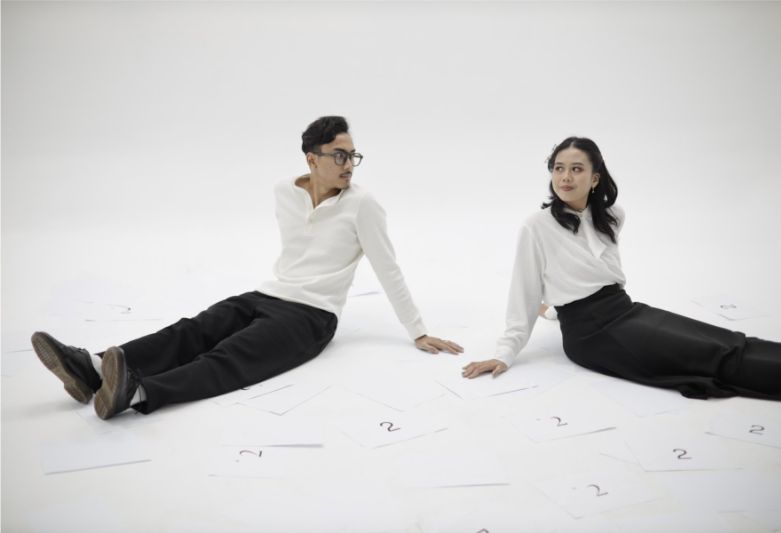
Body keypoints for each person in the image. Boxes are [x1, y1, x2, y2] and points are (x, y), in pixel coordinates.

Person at [33, 116, 463, 420]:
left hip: (312, 316)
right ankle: (93, 368)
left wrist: (418, 331)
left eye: (353, 156)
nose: (349, 165)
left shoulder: (363, 205)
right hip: (267, 294)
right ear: (312, 159)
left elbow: (389, 268)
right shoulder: (283, 191)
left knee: (229, 356)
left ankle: (138, 392)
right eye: (339, 156)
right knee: (191, 330)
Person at [462, 137, 781, 402]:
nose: (565, 177)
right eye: (558, 168)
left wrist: (552, 310)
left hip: (625, 310)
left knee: (719, 338)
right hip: (592, 336)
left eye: (576, 169)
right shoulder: (536, 226)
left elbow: (586, 275)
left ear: (595, 178)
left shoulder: (612, 216)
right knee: (706, 355)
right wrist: (505, 353)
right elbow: (524, 291)